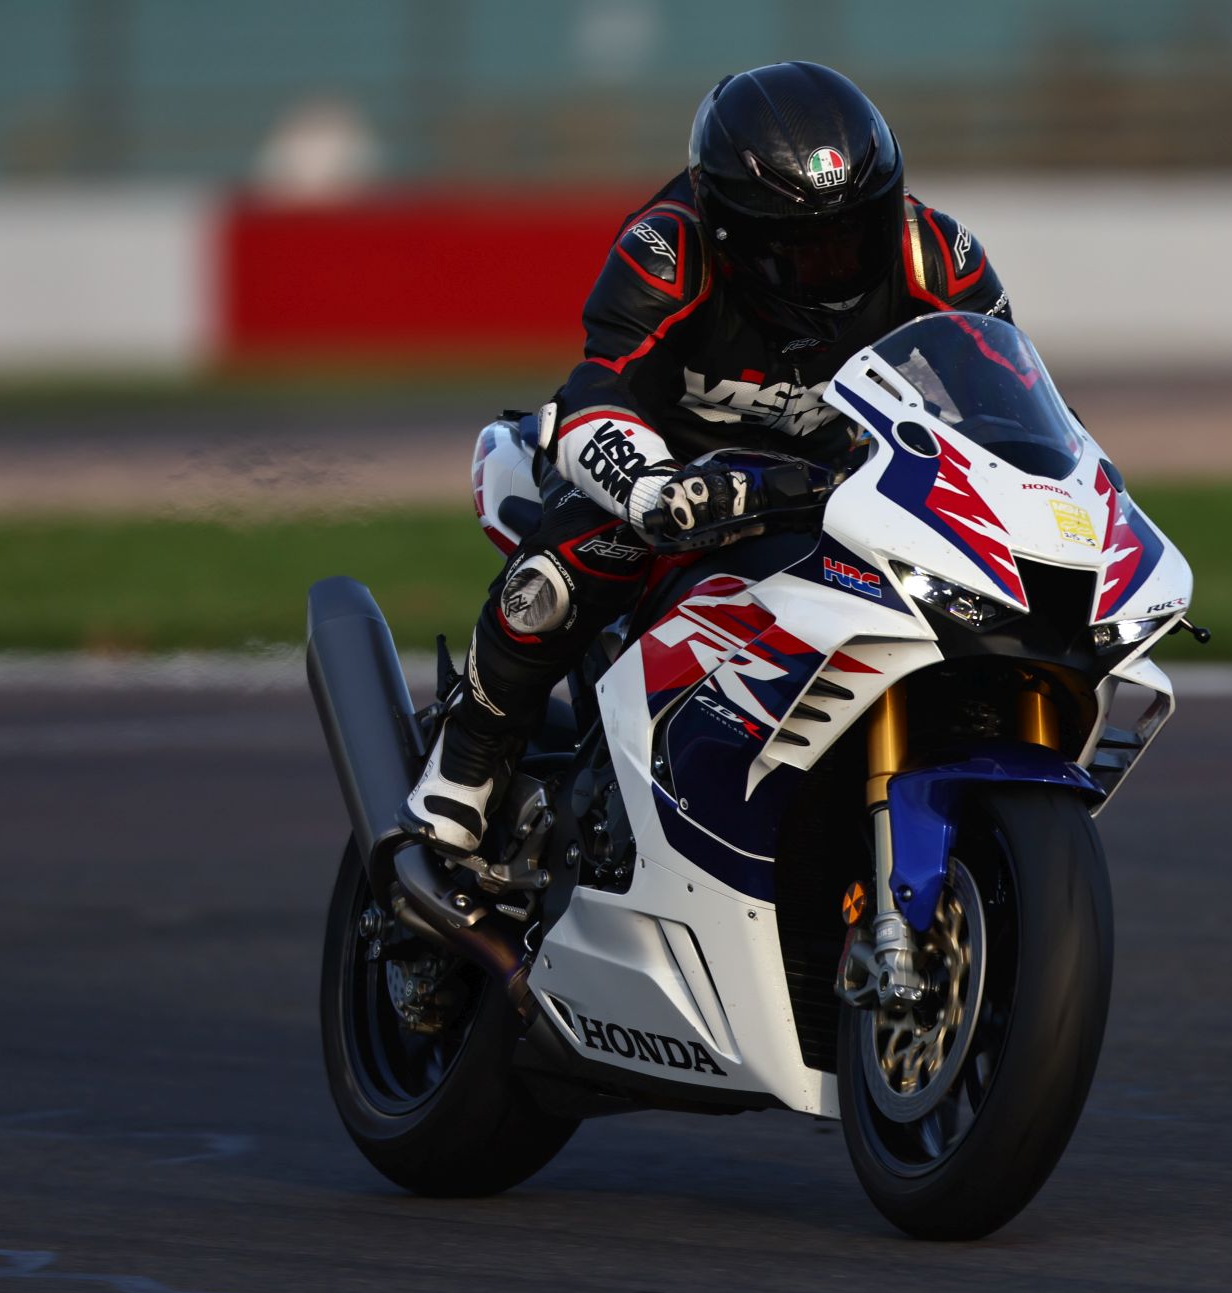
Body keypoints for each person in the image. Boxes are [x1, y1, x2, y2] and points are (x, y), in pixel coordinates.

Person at [402, 61, 1011, 853]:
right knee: (579, 564)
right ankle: (469, 757)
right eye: (803, 248)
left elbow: (1008, 398)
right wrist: (653, 489)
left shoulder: (936, 256)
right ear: (731, 232)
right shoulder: (667, 249)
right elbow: (597, 390)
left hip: (831, 484)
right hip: (671, 473)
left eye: (855, 233)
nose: (835, 265)